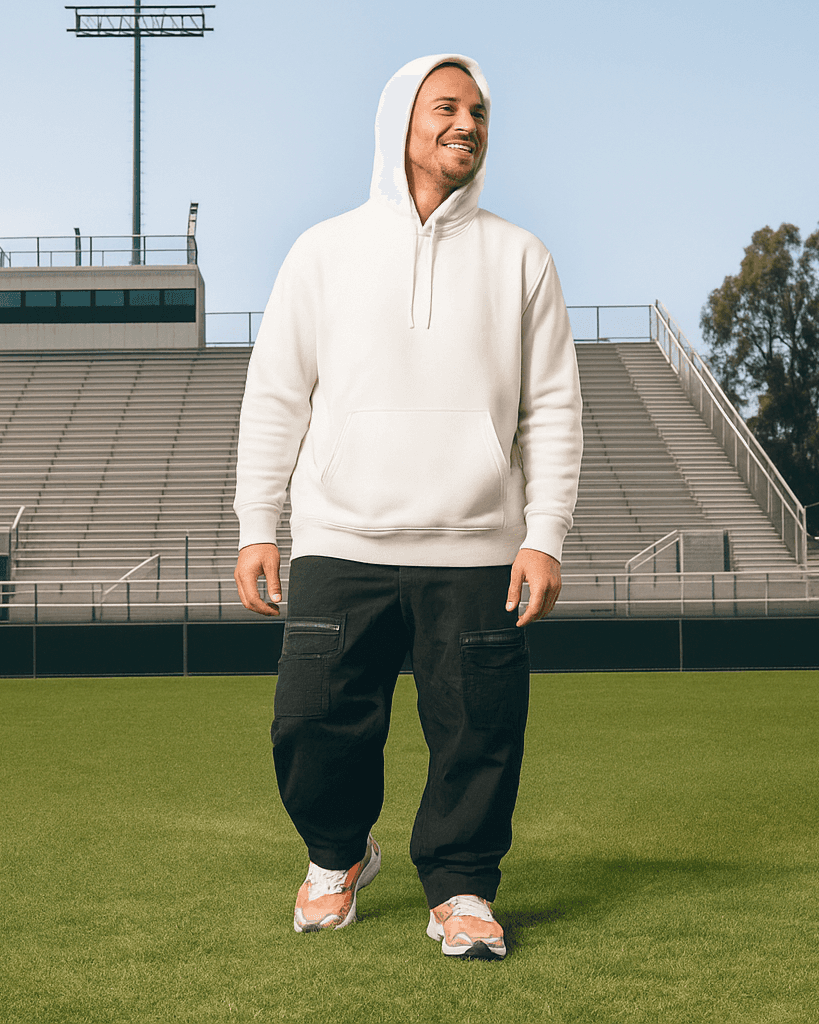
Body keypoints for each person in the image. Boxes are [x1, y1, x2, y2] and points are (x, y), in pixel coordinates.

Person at [232, 53, 582, 961]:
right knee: (310, 724)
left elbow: (551, 408)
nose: (467, 123)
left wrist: (542, 537)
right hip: (340, 537)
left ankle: (462, 889)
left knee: (479, 733)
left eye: (478, 112)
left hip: (475, 546)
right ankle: (336, 858)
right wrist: (255, 524)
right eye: (446, 107)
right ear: (401, 121)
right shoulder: (322, 251)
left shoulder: (521, 258)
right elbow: (276, 395)